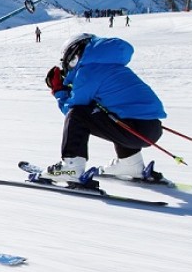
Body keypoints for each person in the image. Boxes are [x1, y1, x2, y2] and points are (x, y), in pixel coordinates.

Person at [43, 34, 166, 182]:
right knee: (108, 113)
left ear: (75, 55)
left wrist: (58, 91)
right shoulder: (111, 66)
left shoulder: (89, 71)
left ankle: (71, 167)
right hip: (151, 129)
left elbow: (72, 109)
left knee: (78, 114)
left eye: (68, 62)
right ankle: (131, 164)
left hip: (134, 129)